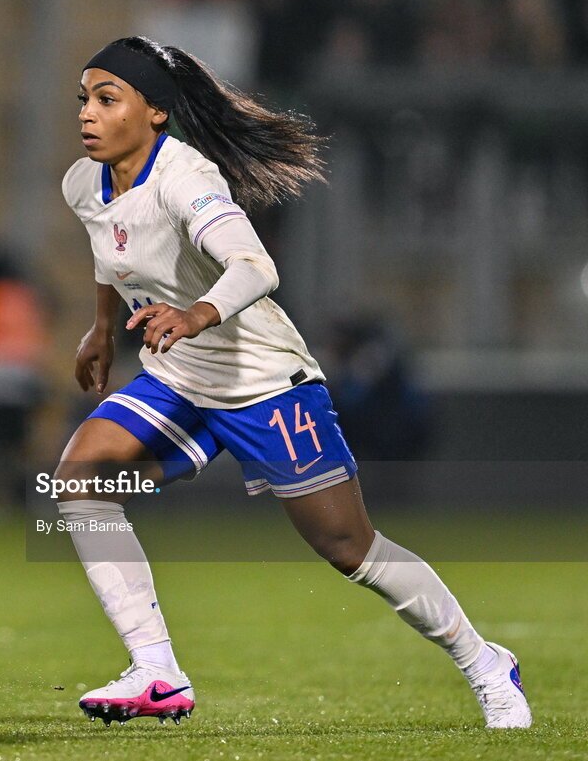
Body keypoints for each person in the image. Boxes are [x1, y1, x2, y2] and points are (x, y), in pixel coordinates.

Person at [54, 36, 531, 729]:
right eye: (83, 100)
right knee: (78, 480)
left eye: (106, 98)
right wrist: (101, 328)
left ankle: (488, 662)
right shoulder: (81, 182)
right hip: (180, 378)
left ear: (155, 112)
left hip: (263, 381)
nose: (87, 115)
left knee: (348, 548)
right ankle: (156, 668)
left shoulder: (187, 178)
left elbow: (255, 267)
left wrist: (197, 312)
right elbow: (112, 248)